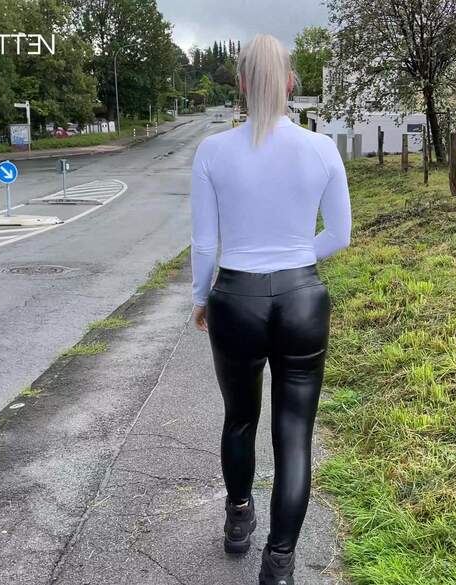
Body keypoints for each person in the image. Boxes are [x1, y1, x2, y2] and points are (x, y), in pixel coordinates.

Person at [189, 34, 351, 585]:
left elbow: (205, 244)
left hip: (235, 299)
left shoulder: (212, 152)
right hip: (303, 299)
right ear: (289, 82)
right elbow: (340, 234)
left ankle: (239, 517)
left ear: (240, 84)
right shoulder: (321, 149)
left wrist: (200, 298)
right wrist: (295, 259)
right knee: (294, 432)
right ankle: (279, 562)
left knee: (239, 418)